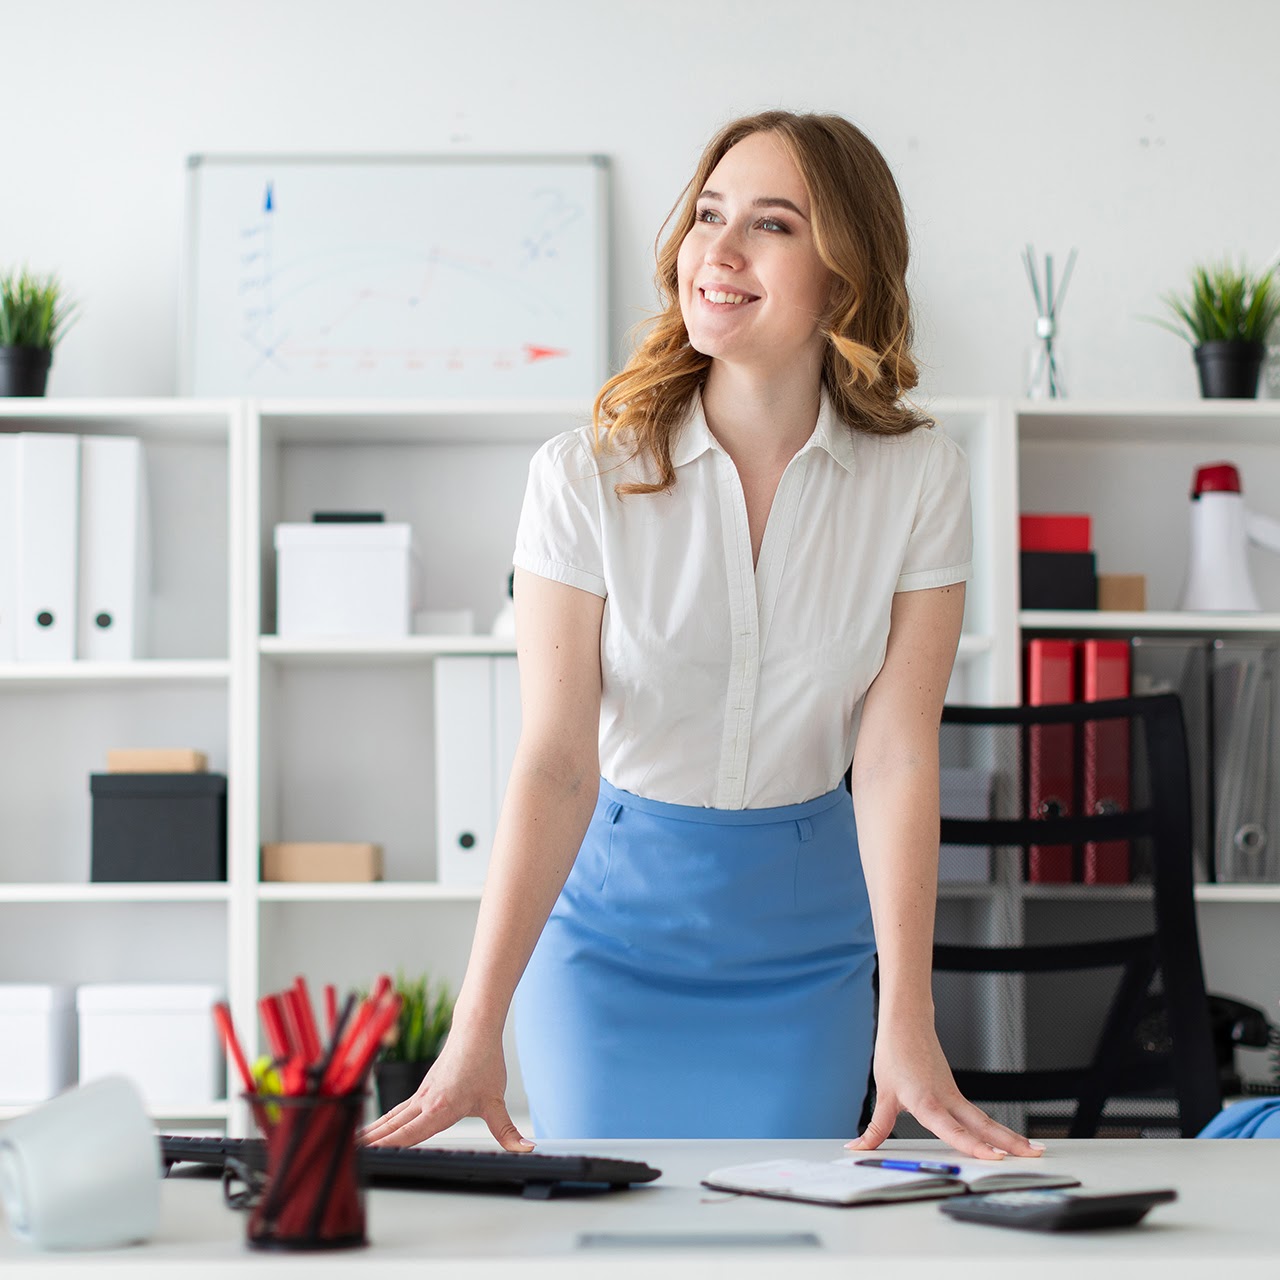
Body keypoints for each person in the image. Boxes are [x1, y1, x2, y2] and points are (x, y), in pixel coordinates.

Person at [362, 110, 1042, 1159]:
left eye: (768, 224)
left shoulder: (918, 478)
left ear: (843, 270)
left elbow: (899, 754)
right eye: (706, 215)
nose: (714, 251)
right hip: (606, 942)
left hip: (804, 945)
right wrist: (472, 1029)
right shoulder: (581, 475)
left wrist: (907, 1014)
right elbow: (551, 763)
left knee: (782, 1237)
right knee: (611, 1235)